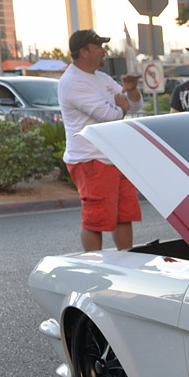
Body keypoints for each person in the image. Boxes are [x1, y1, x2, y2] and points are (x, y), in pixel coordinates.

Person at [57, 29, 142, 252]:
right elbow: (109, 115)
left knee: (124, 216)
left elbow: (133, 106)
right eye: (99, 47)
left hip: (114, 157)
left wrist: (131, 92)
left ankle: (127, 264)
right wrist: (120, 106)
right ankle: (94, 269)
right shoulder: (72, 82)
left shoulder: (101, 78)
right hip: (91, 159)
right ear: (84, 52)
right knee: (95, 222)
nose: (104, 51)